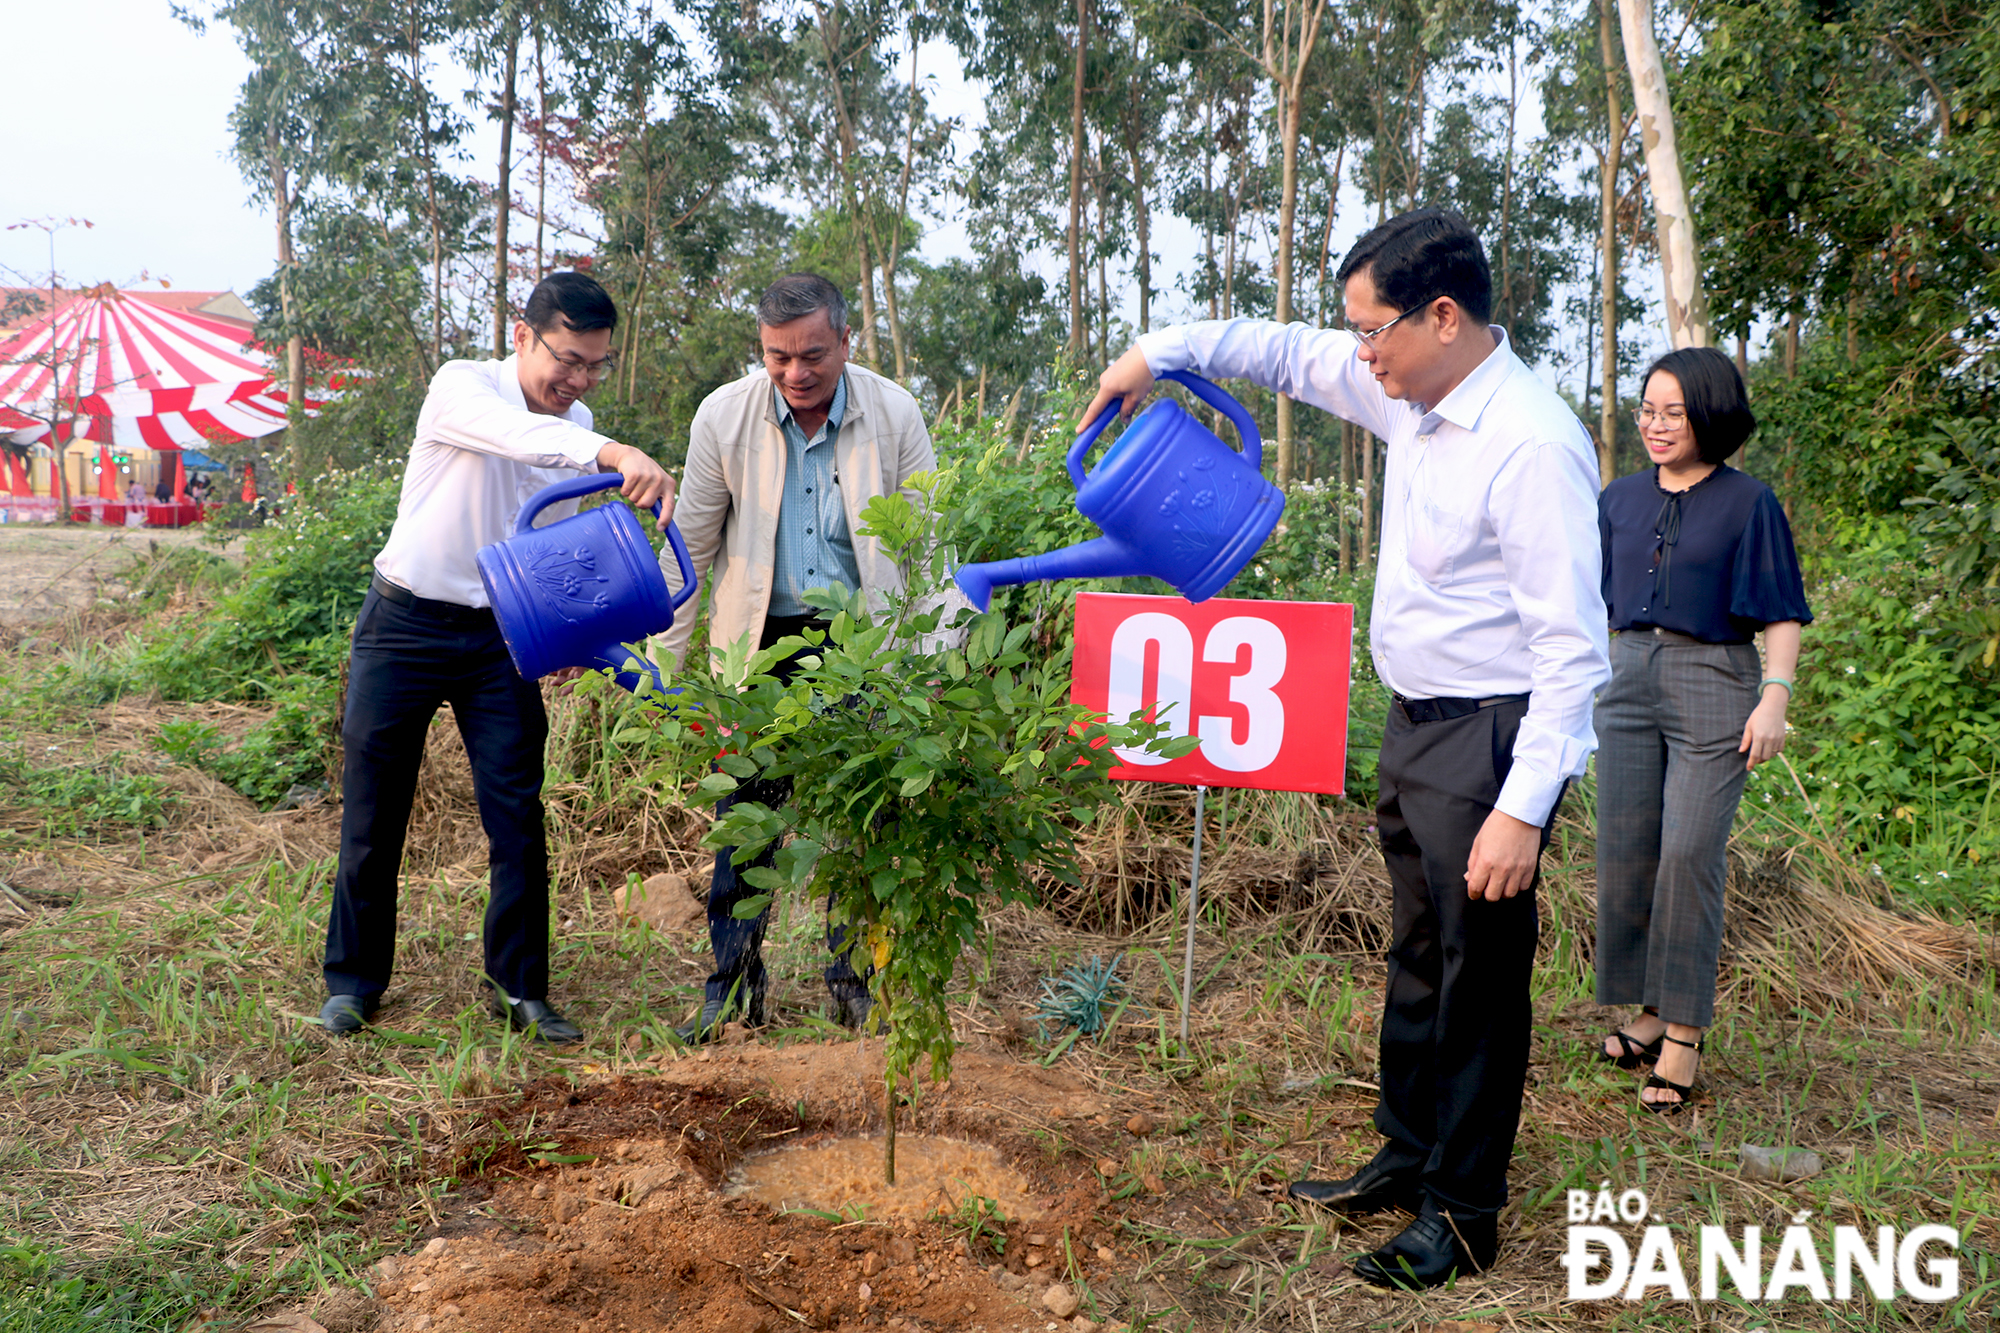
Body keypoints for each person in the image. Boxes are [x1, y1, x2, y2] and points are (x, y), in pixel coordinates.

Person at [1080, 209, 1610, 1290]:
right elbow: (1273, 349)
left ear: (1443, 317)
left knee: (1478, 976)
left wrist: (1521, 806)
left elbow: (1571, 649)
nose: (1358, 354)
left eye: (1373, 332)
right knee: (1416, 953)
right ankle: (1405, 1152)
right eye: (1357, 334)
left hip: (1491, 734)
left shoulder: (1529, 442)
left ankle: (1461, 1213)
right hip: (1414, 723)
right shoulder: (1406, 384)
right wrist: (1154, 353)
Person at [318, 271, 672, 1044]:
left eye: (594, 365)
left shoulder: (576, 424)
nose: (576, 381)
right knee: (375, 814)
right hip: (403, 622)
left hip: (497, 639)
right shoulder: (462, 387)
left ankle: (520, 987)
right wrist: (609, 449)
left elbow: (552, 548)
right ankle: (353, 982)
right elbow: (522, 438)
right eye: (567, 359)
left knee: (517, 816)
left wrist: (566, 627)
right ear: (522, 336)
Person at [653, 272, 939, 1044]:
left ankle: (855, 985)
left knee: (860, 826)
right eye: (777, 357)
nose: (794, 373)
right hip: (760, 649)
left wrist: (930, 666)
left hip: (863, 648)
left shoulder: (894, 413)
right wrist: (663, 666)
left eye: (812, 354)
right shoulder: (725, 416)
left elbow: (927, 550)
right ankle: (733, 991)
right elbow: (693, 549)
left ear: (846, 342)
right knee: (746, 825)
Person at [1593, 347, 1810, 1112]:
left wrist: (1774, 697)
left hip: (1715, 679)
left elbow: (1782, 610)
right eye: (1646, 409)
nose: (1654, 424)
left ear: (1709, 413)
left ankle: (1682, 1033)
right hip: (1623, 678)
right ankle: (1649, 1008)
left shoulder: (1749, 502)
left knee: (1688, 851)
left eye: (1672, 412)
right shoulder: (1617, 499)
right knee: (1627, 846)